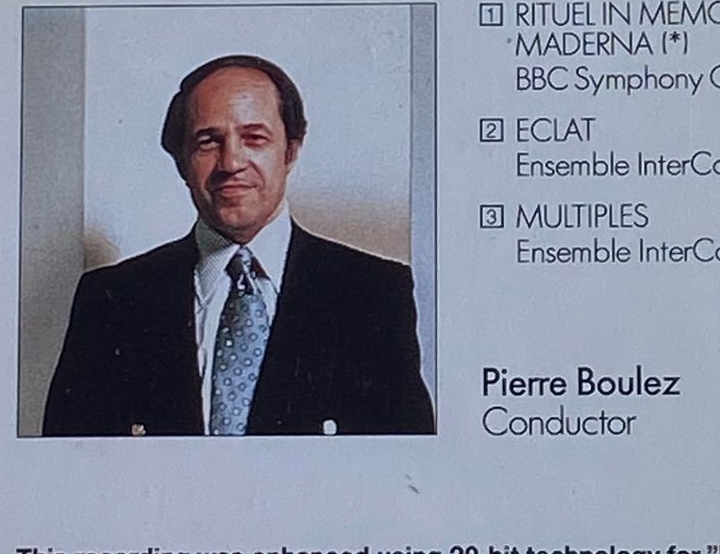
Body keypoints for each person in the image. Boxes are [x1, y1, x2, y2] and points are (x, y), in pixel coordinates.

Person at [42, 54, 434, 437]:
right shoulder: (110, 300)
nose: (231, 163)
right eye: (208, 142)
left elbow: (406, 466)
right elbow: (68, 465)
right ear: (181, 162)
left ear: (291, 150)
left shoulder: (373, 293)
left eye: (254, 138)